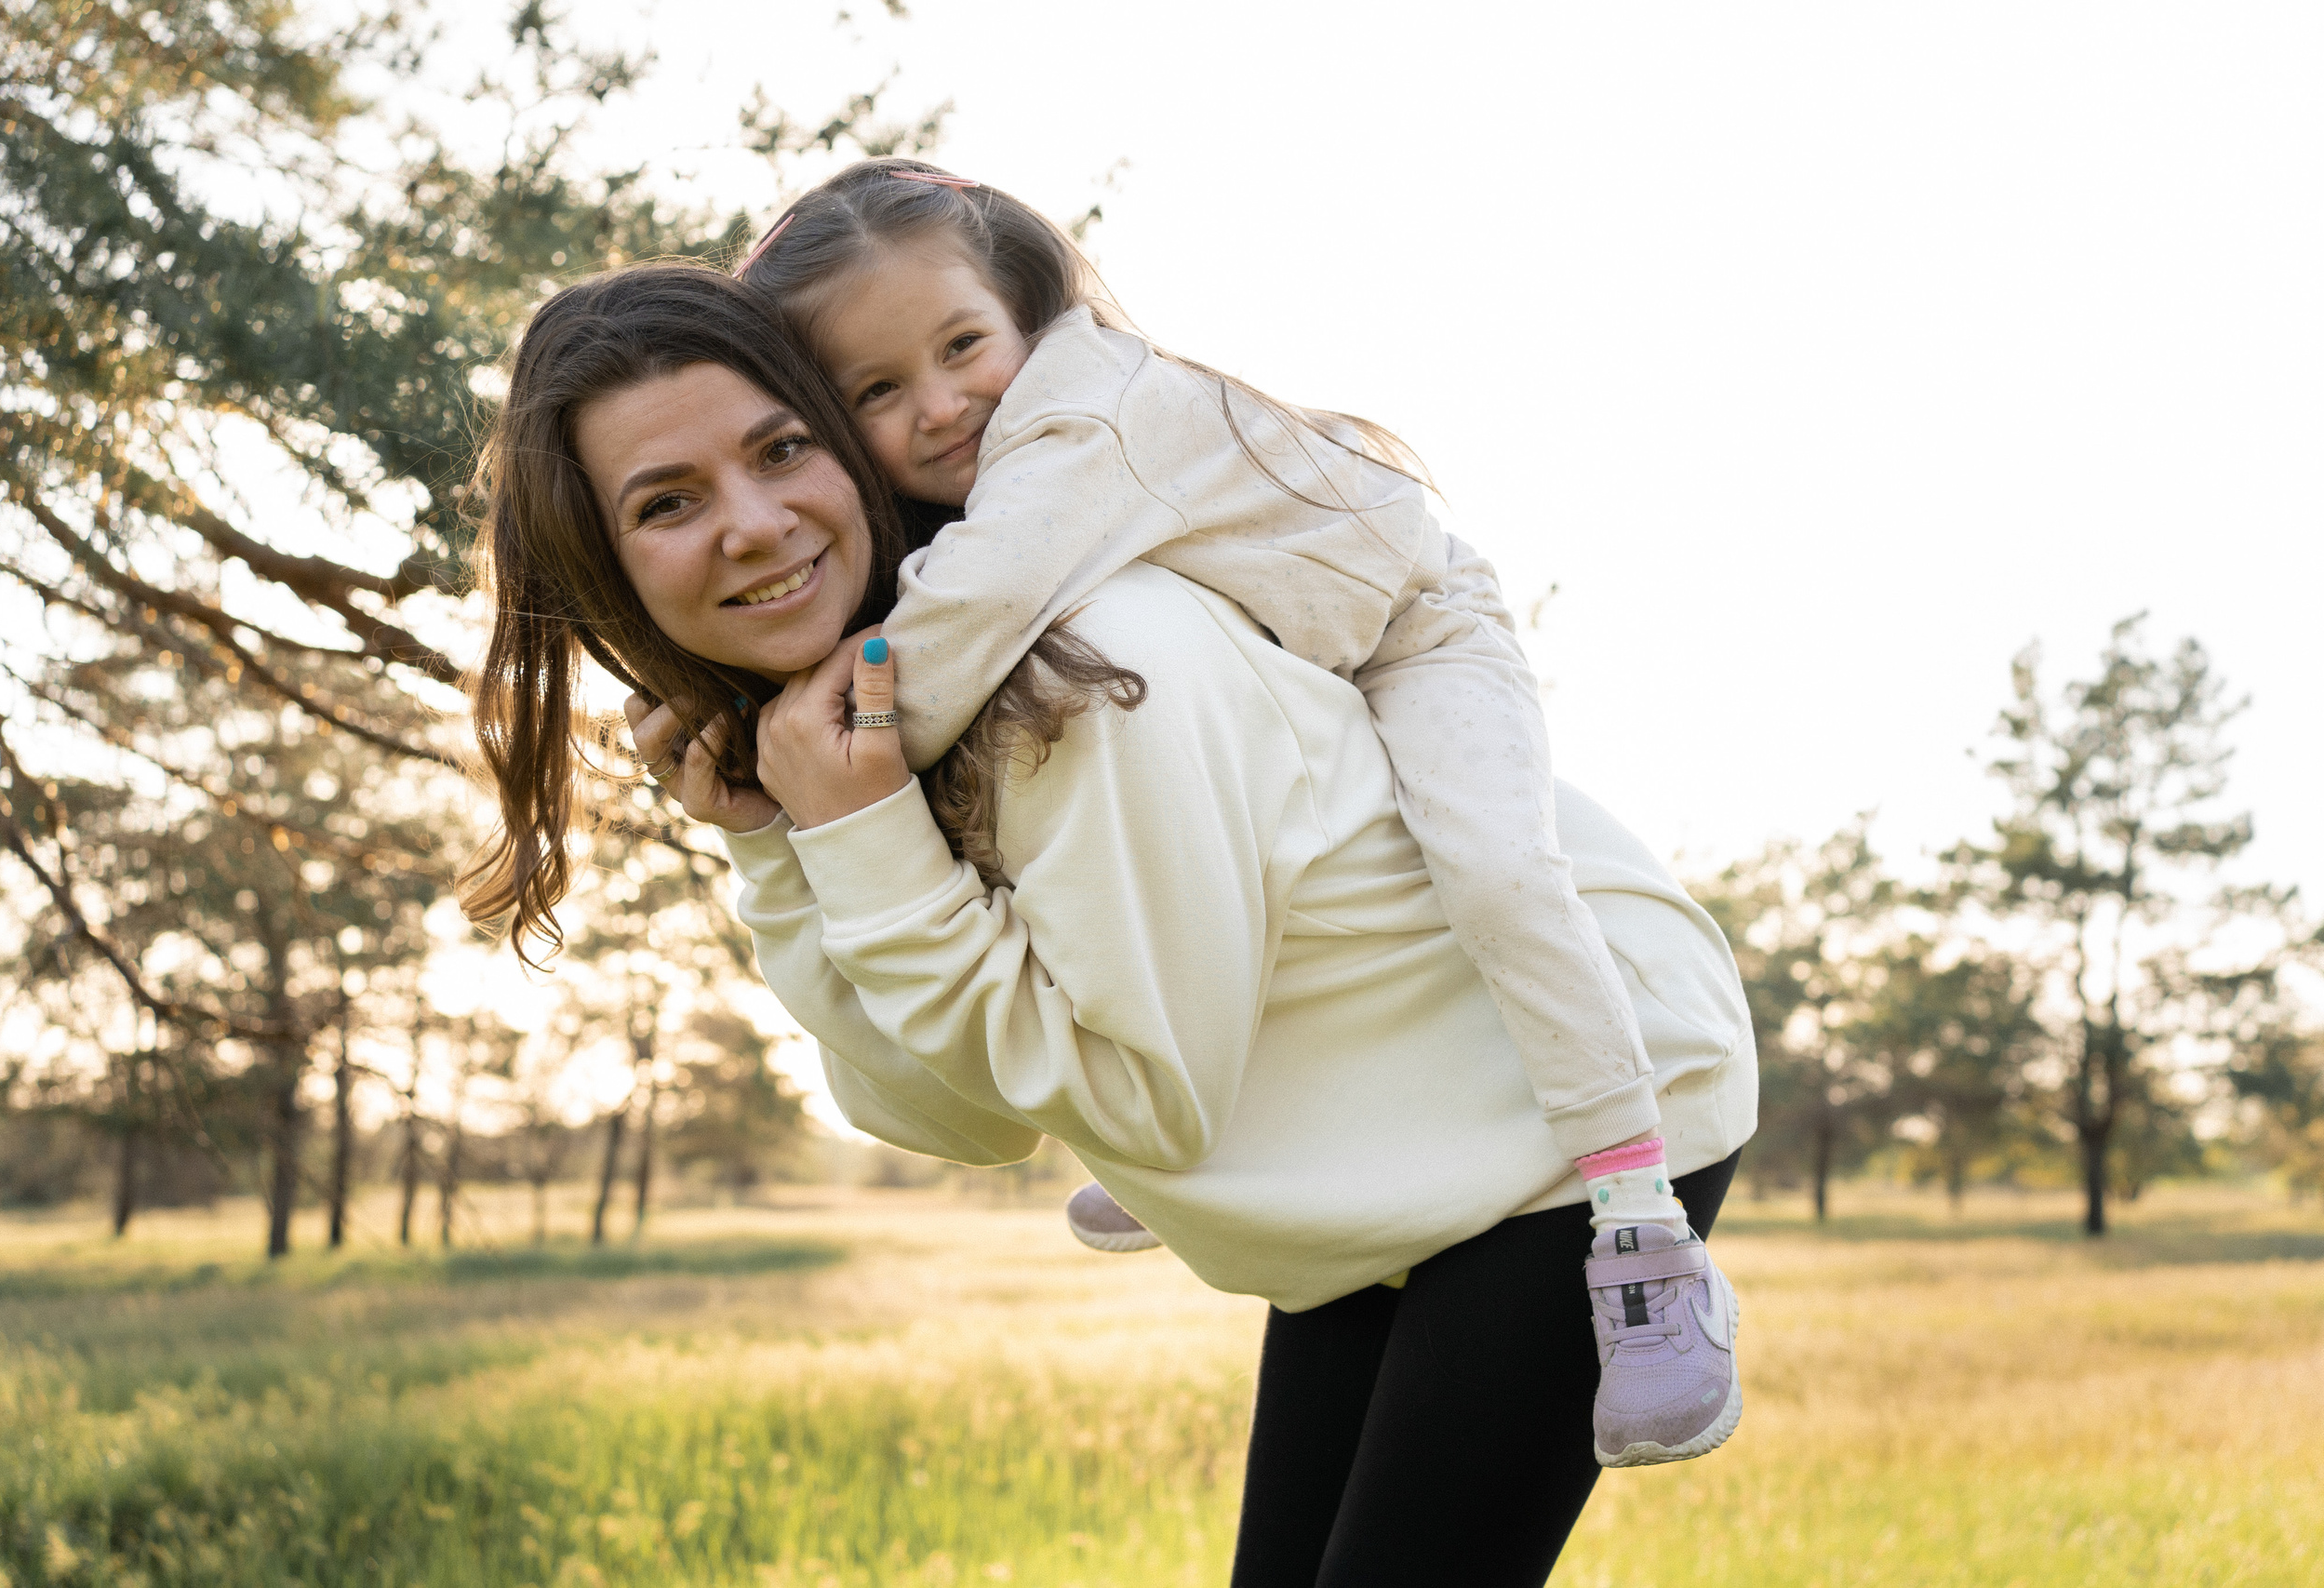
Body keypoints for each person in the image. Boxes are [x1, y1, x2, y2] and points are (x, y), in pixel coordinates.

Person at [461, 261, 1756, 1582]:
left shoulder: (1088, 670)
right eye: (667, 503)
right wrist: (787, 854)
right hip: (1381, 1159)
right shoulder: (863, 719)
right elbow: (964, 1115)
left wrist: (858, 839)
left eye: (782, 447)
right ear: (606, 574)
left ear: (845, 453)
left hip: (1556, 1105)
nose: (750, 522)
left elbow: (1146, 1112)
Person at [733, 157, 1742, 1469]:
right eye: (875, 390)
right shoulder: (981, 489)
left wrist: (823, 770)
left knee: (1493, 866)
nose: (938, 406)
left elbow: (965, 625)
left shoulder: (1072, 428)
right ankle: (1187, 1114)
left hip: (1418, 625)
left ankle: (1637, 1213)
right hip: (1300, 644)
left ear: (1029, 320)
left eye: (962, 345)